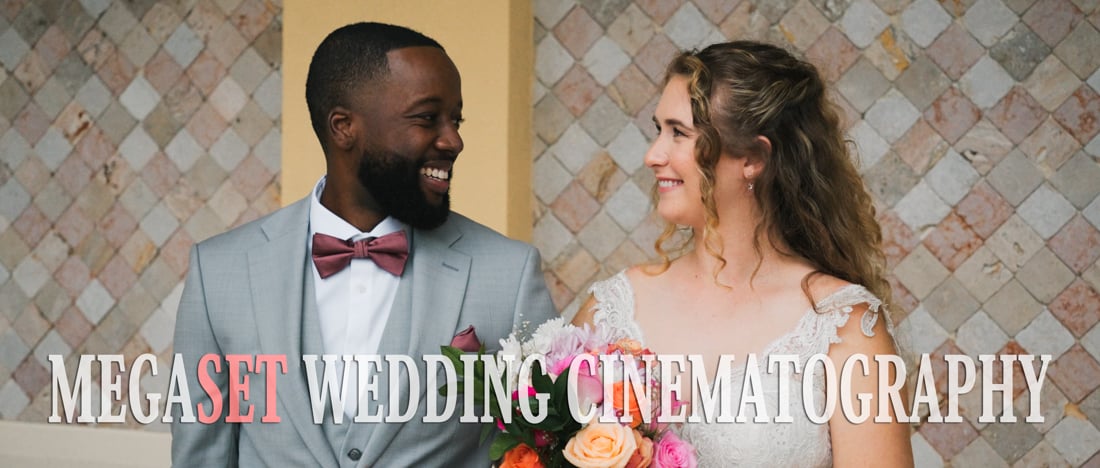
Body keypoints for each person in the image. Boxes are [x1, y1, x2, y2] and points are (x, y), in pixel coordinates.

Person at [171, 22, 557, 467]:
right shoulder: (217, 272)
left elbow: (544, 447)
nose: (453, 140)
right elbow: (201, 456)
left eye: (456, 119)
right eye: (427, 118)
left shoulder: (509, 274)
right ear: (344, 127)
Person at [572, 41, 914, 466]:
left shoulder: (841, 325)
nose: (652, 155)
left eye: (679, 133)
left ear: (753, 157)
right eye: (658, 130)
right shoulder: (610, 310)